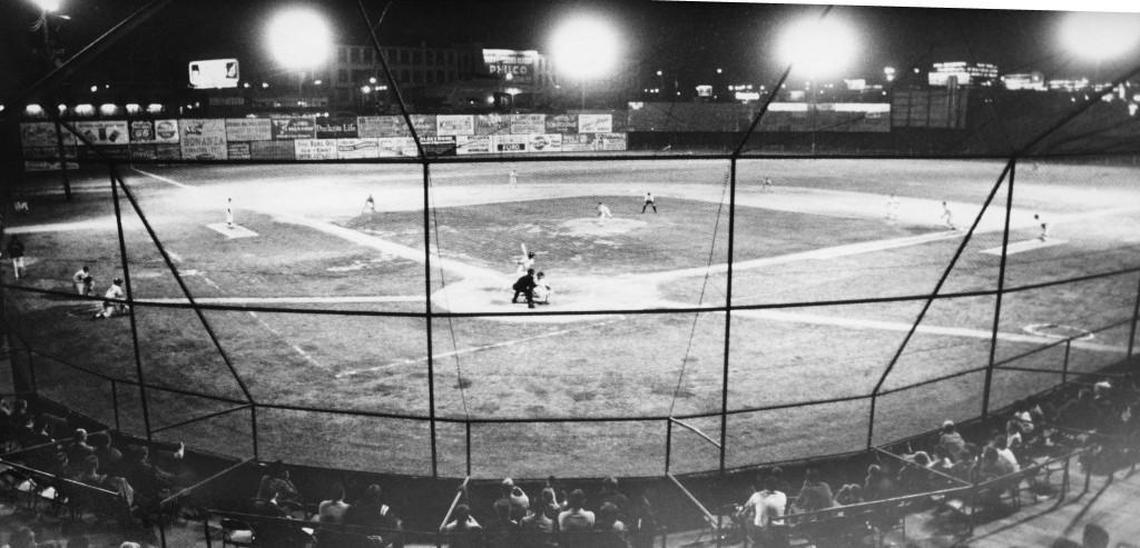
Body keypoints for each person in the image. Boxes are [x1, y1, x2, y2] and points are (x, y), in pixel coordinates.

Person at [737, 475, 787, 547]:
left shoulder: (756, 495)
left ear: (764, 485)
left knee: (746, 518)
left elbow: (744, 509)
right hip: (780, 530)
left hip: (763, 532)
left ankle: (746, 543)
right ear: (776, 486)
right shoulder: (783, 495)